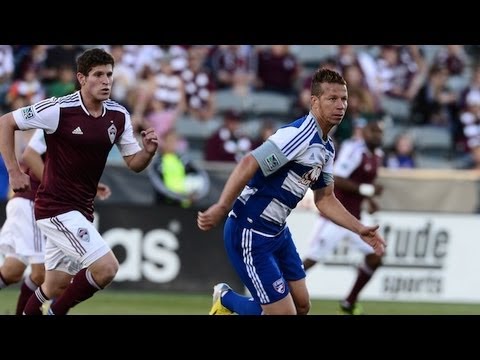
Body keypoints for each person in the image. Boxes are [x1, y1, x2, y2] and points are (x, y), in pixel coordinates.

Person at [197, 68, 386, 315]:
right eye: (332, 99)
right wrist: (222, 206)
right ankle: (226, 299)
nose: (340, 105)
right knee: (284, 314)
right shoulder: (298, 136)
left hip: (278, 232)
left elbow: (325, 199)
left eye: (344, 99)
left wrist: (359, 228)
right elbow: (248, 163)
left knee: (302, 306)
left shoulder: (327, 148)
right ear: (314, 101)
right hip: (250, 229)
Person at [0, 48, 159, 315]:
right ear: (82, 78)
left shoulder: (118, 116)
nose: (106, 80)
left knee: (54, 285)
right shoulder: (58, 109)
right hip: (54, 208)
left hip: (81, 210)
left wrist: (148, 152)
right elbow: (6, 122)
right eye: (98, 75)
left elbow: (134, 164)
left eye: (109, 74)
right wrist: (15, 171)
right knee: (106, 267)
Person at [0, 129, 112, 315]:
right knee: (40, 274)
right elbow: (29, 154)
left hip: (26, 202)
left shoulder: (79, 126)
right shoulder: (59, 117)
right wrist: (57, 189)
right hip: (31, 203)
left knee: (12, 271)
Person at [302, 117, 385, 315]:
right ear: (363, 133)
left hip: (355, 220)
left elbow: (360, 183)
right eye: (372, 131)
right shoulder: (354, 150)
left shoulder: (378, 155)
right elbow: (337, 178)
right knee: (309, 261)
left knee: (376, 255)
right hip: (334, 217)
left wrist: (370, 200)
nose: (376, 136)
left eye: (379, 132)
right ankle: (272, 291)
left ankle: (349, 302)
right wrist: (368, 191)